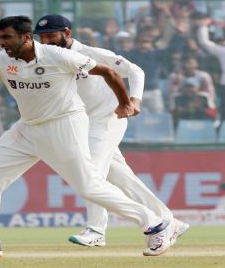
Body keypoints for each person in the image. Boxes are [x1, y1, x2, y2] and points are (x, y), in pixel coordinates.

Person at [0, 16, 176, 258]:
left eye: (7, 37)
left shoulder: (57, 55)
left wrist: (126, 103)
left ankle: (155, 224)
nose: (2, 43)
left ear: (26, 37)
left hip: (64, 124)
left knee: (89, 186)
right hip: (27, 127)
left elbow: (109, 72)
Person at [34, 14, 188, 249]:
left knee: (90, 173)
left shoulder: (92, 54)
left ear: (67, 33)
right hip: (82, 124)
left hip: (108, 119)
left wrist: (134, 100)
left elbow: (135, 71)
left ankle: (96, 230)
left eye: (51, 35)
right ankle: (169, 221)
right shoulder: (46, 59)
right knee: (123, 179)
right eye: (42, 37)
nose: (45, 41)